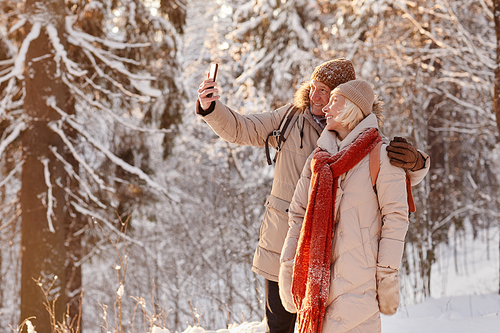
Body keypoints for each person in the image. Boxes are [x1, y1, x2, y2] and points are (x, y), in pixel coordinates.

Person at [196, 59, 430, 333]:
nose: (315, 96)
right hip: (285, 239)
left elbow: (387, 167)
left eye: (325, 91)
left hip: (333, 252)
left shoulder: (356, 132)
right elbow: (241, 128)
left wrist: (418, 163)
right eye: (312, 87)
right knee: (280, 325)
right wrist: (210, 108)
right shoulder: (289, 119)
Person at [279, 80, 416, 333]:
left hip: (358, 287)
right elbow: (298, 214)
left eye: (334, 102)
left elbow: (396, 218)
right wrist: (289, 264)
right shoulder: (318, 159)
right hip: (314, 285)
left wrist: (386, 275)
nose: (326, 109)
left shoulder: (382, 156)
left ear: (353, 108)